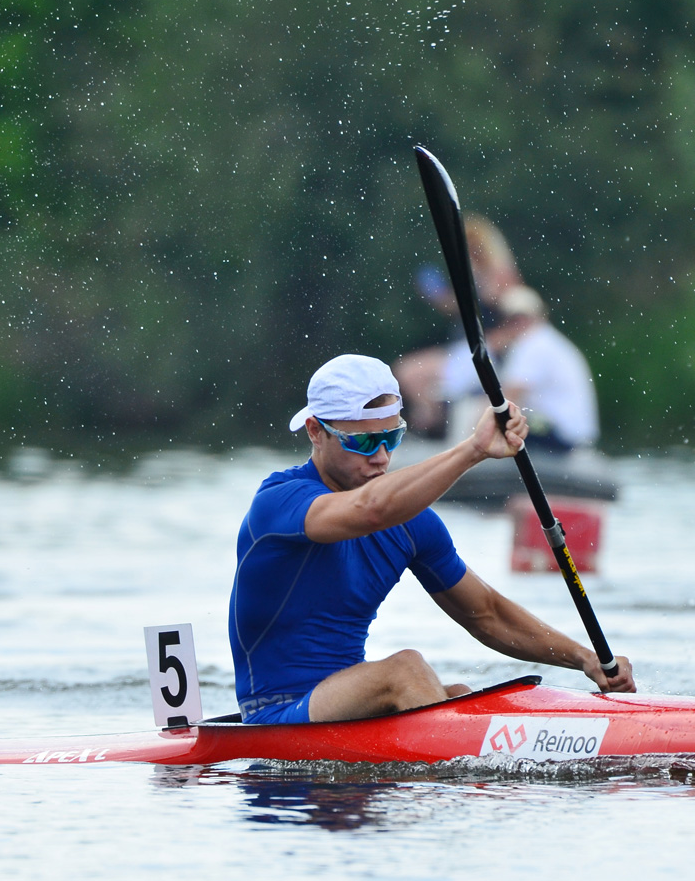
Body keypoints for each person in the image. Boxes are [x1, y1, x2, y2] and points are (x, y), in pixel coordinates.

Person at [229, 354, 633, 725]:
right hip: (276, 711)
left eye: (392, 438)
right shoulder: (280, 503)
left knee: (461, 695)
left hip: (346, 707)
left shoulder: (412, 524)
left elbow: (487, 614)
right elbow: (367, 510)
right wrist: (473, 451)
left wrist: (585, 657)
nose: (382, 457)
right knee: (407, 670)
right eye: (365, 441)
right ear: (316, 432)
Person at [394, 218, 600, 450]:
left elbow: (508, 396)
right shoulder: (540, 340)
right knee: (412, 375)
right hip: (485, 353)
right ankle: (430, 428)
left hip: (493, 356)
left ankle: (444, 442)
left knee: (461, 402)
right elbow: (457, 308)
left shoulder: (533, 343)